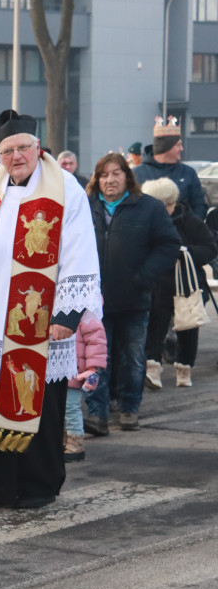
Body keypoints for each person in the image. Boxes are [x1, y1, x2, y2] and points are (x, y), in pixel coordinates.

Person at [0, 109, 101, 509]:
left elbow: (81, 251)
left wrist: (66, 317)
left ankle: (37, 486)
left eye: (22, 148)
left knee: (37, 400)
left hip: (40, 319)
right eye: (6, 151)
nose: (15, 157)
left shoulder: (65, 188)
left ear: (37, 147)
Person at [83, 154, 180, 435]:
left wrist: (144, 277)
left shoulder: (148, 208)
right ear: (97, 179)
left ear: (127, 176)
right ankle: (97, 415)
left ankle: (129, 409)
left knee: (133, 358)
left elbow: (168, 244)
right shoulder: (85, 207)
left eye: (116, 174)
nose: (110, 180)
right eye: (103, 175)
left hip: (135, 299)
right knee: (97, 359)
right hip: (94, 301)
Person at [141, 177, 216, 389]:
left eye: (166, 205)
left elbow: (210, 247)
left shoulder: (189, 221)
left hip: (187, 284)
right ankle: (152, 369)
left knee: (189, 327)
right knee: (155, 326)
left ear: (172, 203)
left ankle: (184, 369)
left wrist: (185, 253)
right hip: (158, 285)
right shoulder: (148, 222)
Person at [133, 116, 208, 219]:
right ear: (166, 147)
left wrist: (191, 229)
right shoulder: (137, 173)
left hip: (182, 232)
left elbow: (199, 206)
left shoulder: (188, 173)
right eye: (178, 145)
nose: (181, 149)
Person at [63, 312, 107, 462]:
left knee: (70, 407)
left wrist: (94, 368)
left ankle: (76, 443)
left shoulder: (86, 312)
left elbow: (96, 341)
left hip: (76, 370)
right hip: (59, 369)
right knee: (59, 408)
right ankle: (64, 441)